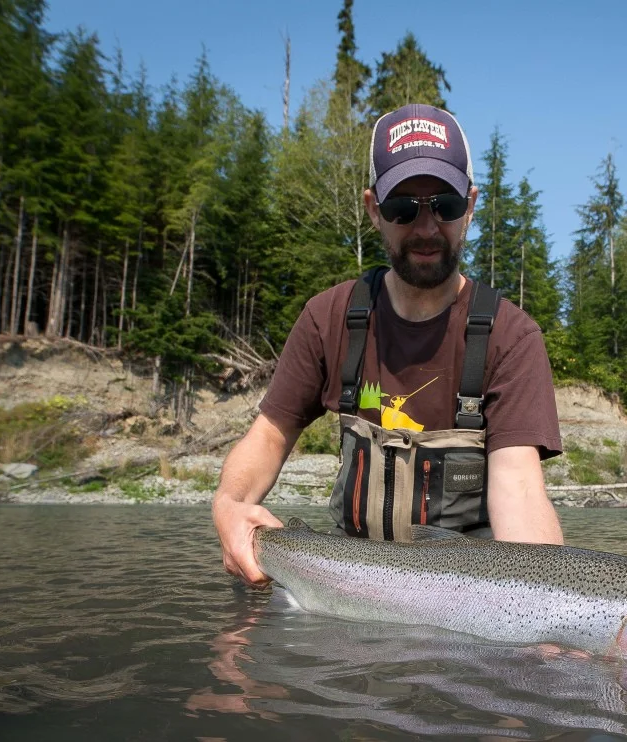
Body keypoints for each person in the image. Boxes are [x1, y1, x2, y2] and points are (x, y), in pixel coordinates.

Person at [212, 103, 564, 587]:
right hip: (344, 585)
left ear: (472, 205)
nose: (425, 229)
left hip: (463, 601)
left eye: (446, 205)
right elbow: (269, 434)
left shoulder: (511, 336)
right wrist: (230, 506)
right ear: (374, 209)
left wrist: (543, 612)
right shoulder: (328, 318)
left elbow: (520, 490)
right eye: (402, 208)